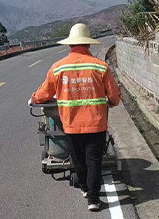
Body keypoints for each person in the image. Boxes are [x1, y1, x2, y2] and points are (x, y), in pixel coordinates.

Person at [31, 23, 121, 211]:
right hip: (96, 125)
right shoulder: (100, 67)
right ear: (88, 45)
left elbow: (45, 93)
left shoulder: (58, 68)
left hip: (71, 125)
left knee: (78, 160)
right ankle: (94, 200)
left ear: (70, 45)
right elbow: (114, 97)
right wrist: (111, 102)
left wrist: (33, 99)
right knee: (94, 161)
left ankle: (85, 188)